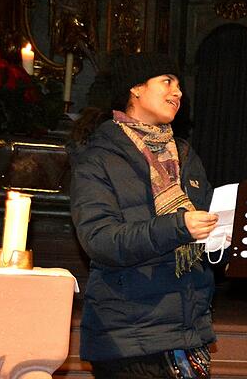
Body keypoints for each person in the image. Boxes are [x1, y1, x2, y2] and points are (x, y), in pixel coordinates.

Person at [69, 53, 227, 379]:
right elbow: (100, 241)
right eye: (168, 81)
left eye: (180, 84)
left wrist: (220, 237)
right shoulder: (98, 157)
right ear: (136, 89)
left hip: (188, 327)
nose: (179, 92)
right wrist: (179, 227)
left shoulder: (184, 155)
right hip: (126, 335)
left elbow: (205, 224)